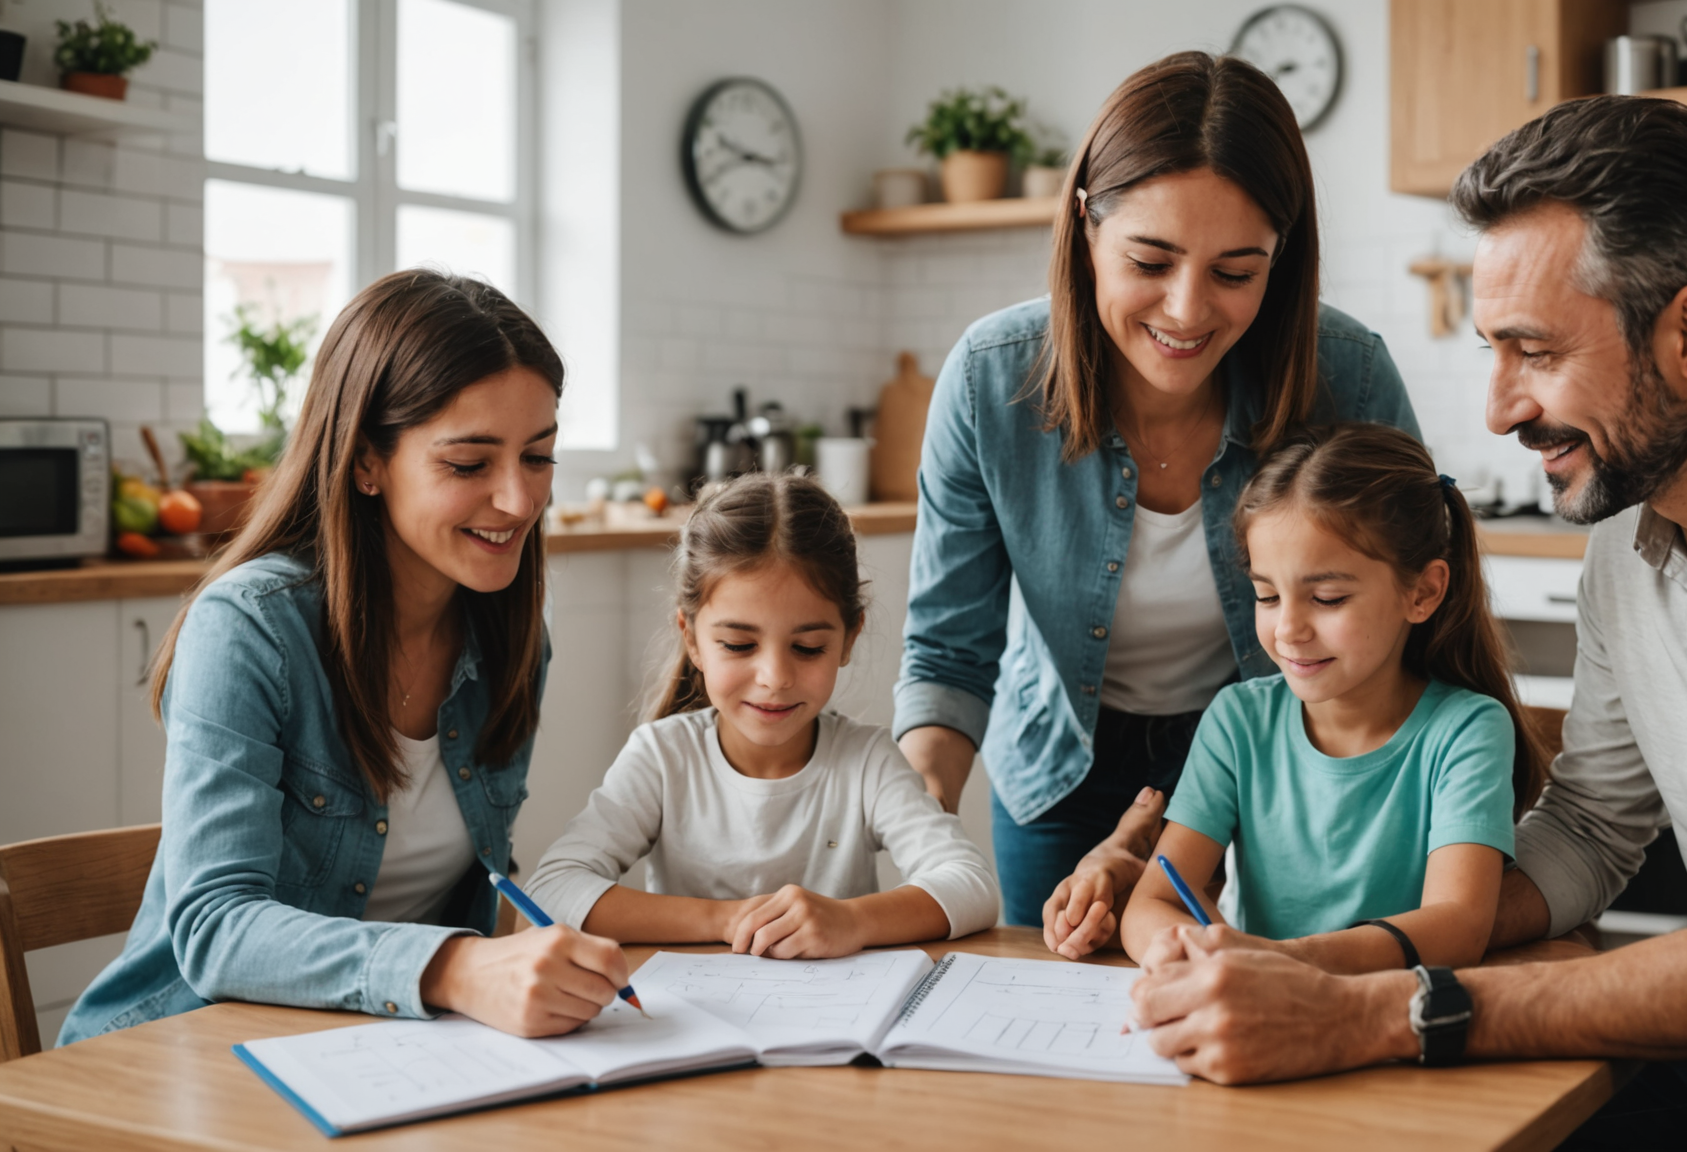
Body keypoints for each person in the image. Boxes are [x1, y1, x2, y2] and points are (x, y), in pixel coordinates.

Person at [1126, 95, 1687, 1149]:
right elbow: (1591, 828)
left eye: (1533, 352)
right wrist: (1317, 955)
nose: (1500, 408)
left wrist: (1386, 1010)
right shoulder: (1625, 547)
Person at [894, 50, 1418, 942]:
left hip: (1289, 746)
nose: (1186, 310)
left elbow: (1416, 629)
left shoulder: (1348, 375)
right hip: (1060, 762)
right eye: (1151, 259)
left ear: (1280, 263)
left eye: (1235, 272)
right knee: (1058, 1011)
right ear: (1086, 226)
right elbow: (949, 655)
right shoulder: (991, 381)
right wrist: (916, 833)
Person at [61, 270, 634, 1044]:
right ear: (367, 461)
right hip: (180, 1050)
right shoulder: (250, 628)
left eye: (538, 457)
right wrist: (457, 968)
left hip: (375, 1048)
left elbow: (469, 892)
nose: (519, 500)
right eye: (469, 464)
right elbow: (215, 928)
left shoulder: (512, 629)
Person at [1119, 423, 1540, 973]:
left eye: (1327, 598)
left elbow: (1458, 925)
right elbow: (1151, 905)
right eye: (1266, 595)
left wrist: (1283, 962)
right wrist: (1194, 956)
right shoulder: (1238, 721)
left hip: (1393, 1024)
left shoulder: (1466, 730)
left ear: (1423, 591)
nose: (1288, 628)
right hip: (1261, 1014)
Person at [524, 473, 998, 957]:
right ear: (691, 638)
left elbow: (972, 886)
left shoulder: (868, 762)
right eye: (739, 645)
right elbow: (551, 891)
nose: (774, 677)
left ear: (848, 639)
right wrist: (727, 919)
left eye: (808, 647)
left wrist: (852, 920)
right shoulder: (662, 758)